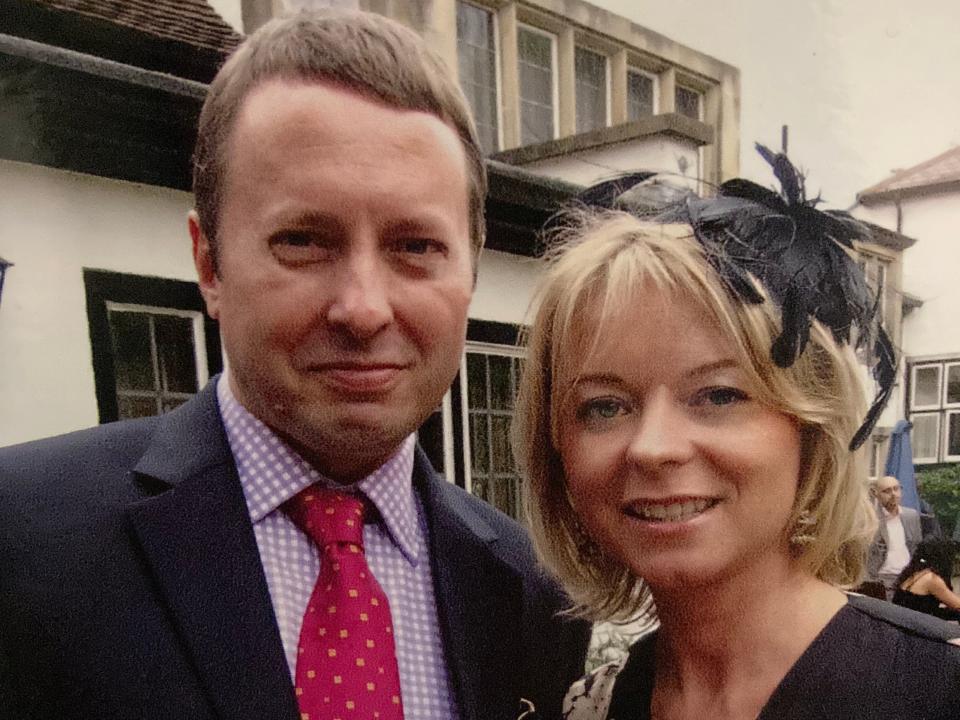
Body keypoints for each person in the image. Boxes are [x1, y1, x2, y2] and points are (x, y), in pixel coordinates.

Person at [0, 11, 589, 720]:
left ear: (470, 268)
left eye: (416, 246)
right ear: (209, 264)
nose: (364, 308)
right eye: (305, 241)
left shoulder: (534, 597)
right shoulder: (23, 541)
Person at [513, 147, 960, 720]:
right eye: (604, 406)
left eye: (719, 395)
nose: (653, 447)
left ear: (810, 427)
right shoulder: (589, 706)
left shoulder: (938, 692)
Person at [867, 474, 922, 600]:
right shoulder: (871, 519)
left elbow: (916, 547)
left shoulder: (911, 515)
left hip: (908, 578)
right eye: (887, 491)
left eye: (896, 489)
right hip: (882, 579)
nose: (893, 494)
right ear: (876, 494)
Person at [892, 539, 960, 621]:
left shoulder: (916, 573)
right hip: (914, 625)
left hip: (903, 620)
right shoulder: (932, 580)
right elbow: (957, 604)